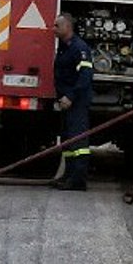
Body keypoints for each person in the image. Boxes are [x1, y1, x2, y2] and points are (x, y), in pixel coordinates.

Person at [52, 12, 93, 191]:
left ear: (67, 27)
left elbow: (85, 76)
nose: (53, 29)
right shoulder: (64, 47)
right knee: (68, 141)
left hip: (76, 102)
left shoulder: (79, 48)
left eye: (56, 26)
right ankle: (68, 176)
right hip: (65, 101)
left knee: (78, 143)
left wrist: (71, 96)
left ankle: (78, 180)